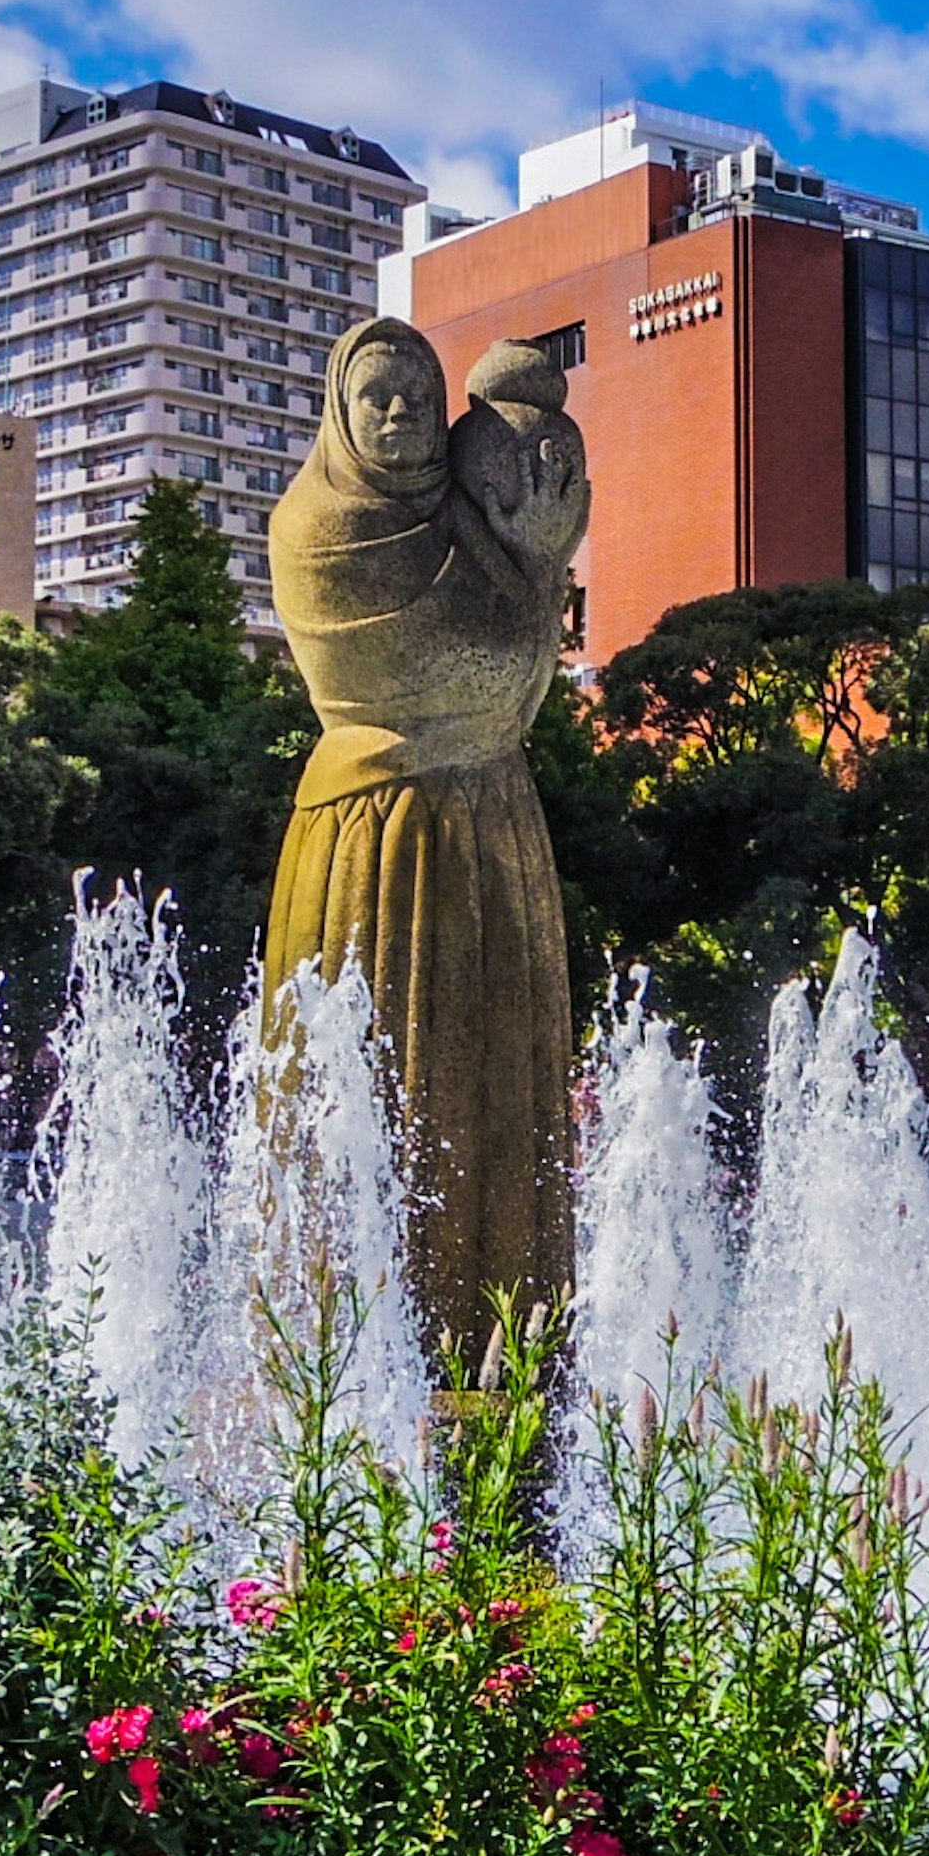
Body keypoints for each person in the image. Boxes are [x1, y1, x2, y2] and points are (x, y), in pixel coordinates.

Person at [262, 319, 590, 1365]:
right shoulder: (314, 529)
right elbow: (471, 666)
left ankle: (503, 1356)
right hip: (374, 833)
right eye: (378, 396)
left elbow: (511, 677)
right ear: (341, 412)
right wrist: (529, 572)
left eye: (419, 395)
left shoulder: (479, 521)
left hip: (493, 818)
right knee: (377, 1082)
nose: (401, 413)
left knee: (496, 1087)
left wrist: (532, 565)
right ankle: (337, 1374)